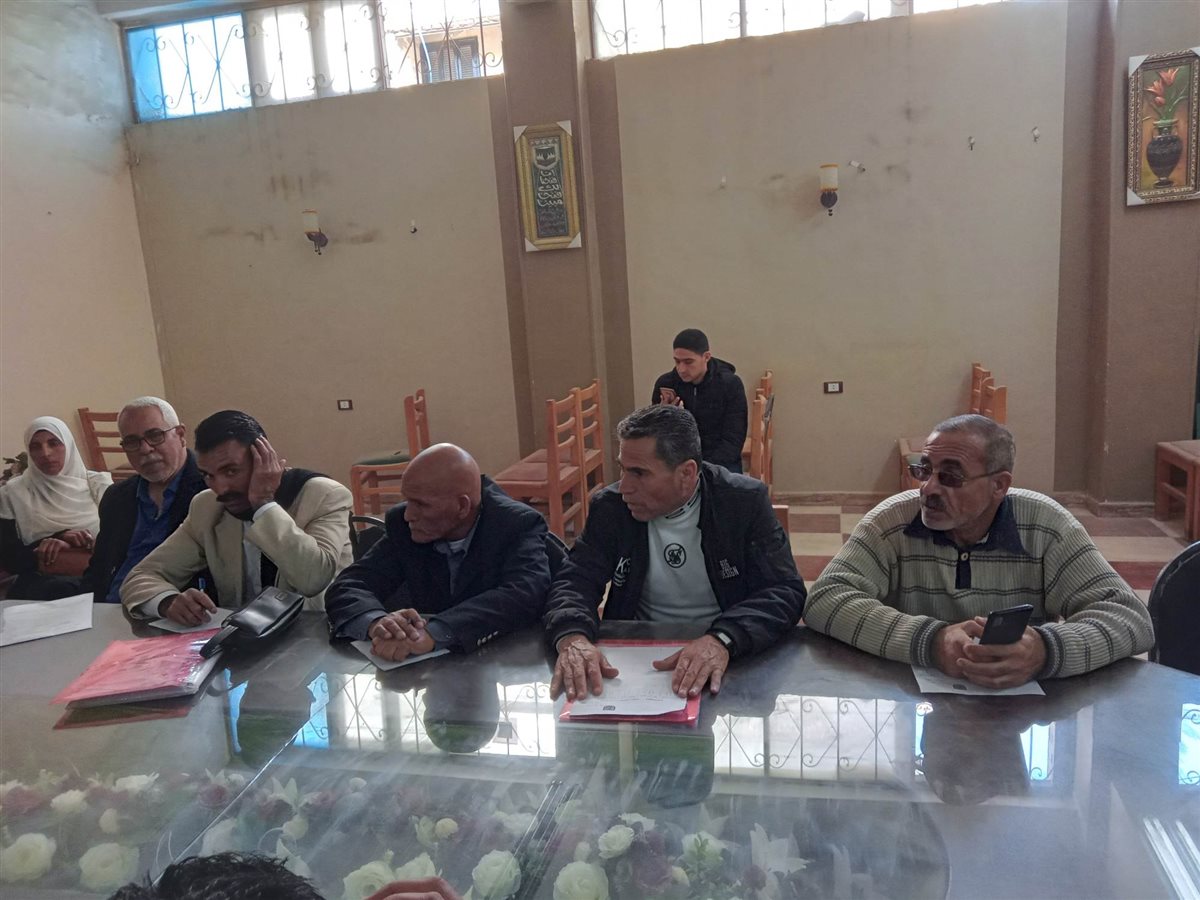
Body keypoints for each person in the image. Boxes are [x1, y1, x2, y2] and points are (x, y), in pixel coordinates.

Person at [804, 414, 1154, 688]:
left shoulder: (1046, 526)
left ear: (999, 485)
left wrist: (1044, 650)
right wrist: (931, 641)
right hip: (913, 700)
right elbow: (825, 600)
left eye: (951, 477)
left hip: (1019, 709)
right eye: (924, 471)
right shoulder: (892, 521)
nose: (928, 489)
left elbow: (1131, 618)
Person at [544, 404, 806, 701]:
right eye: (623, 469)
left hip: (727, 650)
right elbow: (575, 580)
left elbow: (784, 590)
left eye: (639, 473)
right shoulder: (611, 507)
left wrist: (722, 639)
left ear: (687, 473)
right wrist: (572, 637)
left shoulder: (742, 502)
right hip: (636, 657)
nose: (625, 487)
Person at [325, 443, 551, 662]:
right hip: (427, 672)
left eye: (421, 504)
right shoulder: (403, 525)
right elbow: (349, 584)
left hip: (504, 660)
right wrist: (379, 623)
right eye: (407, 500)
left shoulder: (514, 524)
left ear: (462, 506)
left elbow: (525, 593)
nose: (408, 515)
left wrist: (435, 633)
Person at [120, 410, 352, 624]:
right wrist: (167, 601)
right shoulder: (207, 507)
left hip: (318, 638)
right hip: (240, 642)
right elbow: (141, 576)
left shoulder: (324, 495)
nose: (220, 488)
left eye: (231, 471)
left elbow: (312, 579)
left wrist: (263, 504)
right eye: (208, 475)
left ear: (264, 460)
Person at [84, 397, 208, 604]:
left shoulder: (210, 490)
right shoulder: (116, 497)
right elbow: (99, 570)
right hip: (110, 609)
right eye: (132, 442)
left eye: (155, 435)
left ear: (180, 435)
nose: (145, 449)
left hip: (174, 609)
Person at [0, 416, 112, 600]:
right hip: (41, 583)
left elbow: (122, 542)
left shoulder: (98, 485)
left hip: (97, 576)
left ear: (68, 444)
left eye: (54, 443)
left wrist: (77, 544)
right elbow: (10, 559)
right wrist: (58, 538)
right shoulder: (12, 493)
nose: (45, 453)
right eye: (35, 447)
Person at [651, 328, 747, 473]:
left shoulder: (730, 384)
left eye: (688, 362)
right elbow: (656, 437)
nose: (681, 369)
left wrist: (702, 470)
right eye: (677, 361)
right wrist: (665, 418)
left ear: (706, 357)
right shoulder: (666, 384)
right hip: (679, 461)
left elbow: (733, 440)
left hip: (721, 462)